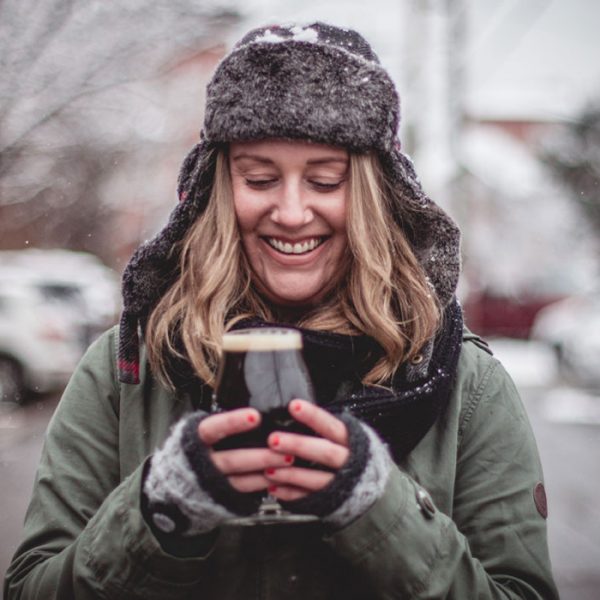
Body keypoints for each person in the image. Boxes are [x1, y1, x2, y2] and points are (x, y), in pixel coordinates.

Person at [4, 22, 559, 599]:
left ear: (373, 194)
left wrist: (381, 512)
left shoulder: (462, 384)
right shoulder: (128, 371)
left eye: (325, 180)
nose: (291, 213)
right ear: (218, 190)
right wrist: (156, 513)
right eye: (260, 178)